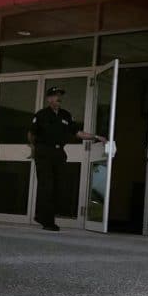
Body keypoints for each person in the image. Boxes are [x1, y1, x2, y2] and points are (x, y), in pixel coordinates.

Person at [28, 86, 107, 231]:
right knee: (47, 187)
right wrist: (34, 149)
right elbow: (32, 134)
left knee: (58, 186)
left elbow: (77, 132)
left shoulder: (66, 115)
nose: (59, 98)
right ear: (49, 98)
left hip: (59, 153)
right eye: (55, 95)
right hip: (44, 152)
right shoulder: (41, 115)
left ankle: (43, 216)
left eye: (60, 95)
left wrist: (96, 137)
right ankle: (46, 220)